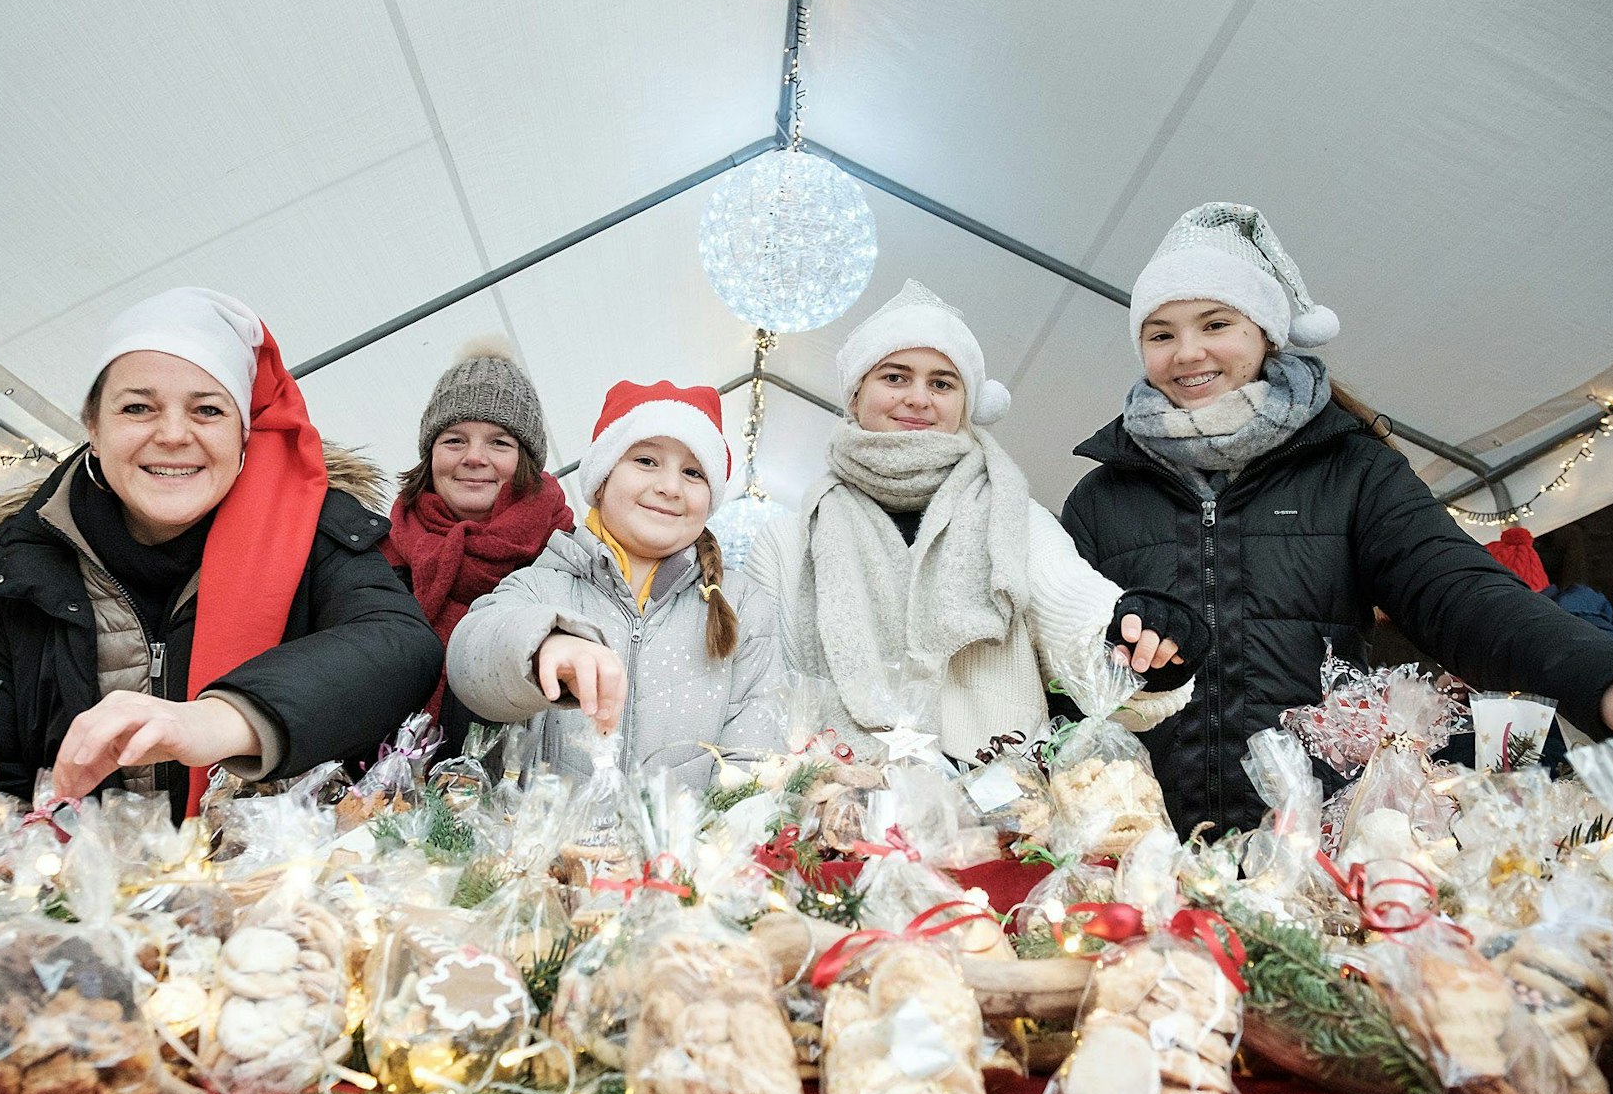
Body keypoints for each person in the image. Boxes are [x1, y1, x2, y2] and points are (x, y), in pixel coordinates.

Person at [1061, 203, 1613, 835]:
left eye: (1215, 324)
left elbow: (1458, 592)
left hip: (1323, 848)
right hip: (1137, 851)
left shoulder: (1351, 470)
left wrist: (1603, 673)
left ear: (1264, 333)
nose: (1186, 353)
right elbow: (1061, 669)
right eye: (1161, 334)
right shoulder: (1100, 498)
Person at [0, 287, 442, 814]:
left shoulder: (313, 532)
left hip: (272, 866)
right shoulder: (14, 566)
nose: (172, 434)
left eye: (207, 410)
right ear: (94, 429)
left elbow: (400, 646)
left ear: (243, 435)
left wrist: (221, 719)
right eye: (138, 407)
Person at [745, 280, 1202, 767]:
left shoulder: (1015, 517)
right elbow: (758, 692)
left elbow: (1070, 601)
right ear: (855, 396)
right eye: (895, 377)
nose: (918, 398)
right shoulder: (786, 543)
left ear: (966, 404)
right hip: (833, 797)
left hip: (999, 797)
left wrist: (1132, 633)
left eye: (942, 383)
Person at [446, 381, 782, 789]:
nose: (670, 487)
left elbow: (755, 750)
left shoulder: (743, 604)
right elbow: (469, 663)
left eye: (693, 473)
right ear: (602, 480)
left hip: (690, 832)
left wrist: (711, 827)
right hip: (551, 831)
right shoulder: (542, 585)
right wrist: (543, 643)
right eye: (646, 461)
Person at [382, 339, 573, 757]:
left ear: (526, 460)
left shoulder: (565, 559)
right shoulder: (378, 557)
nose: (474, 457)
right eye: (454, 440)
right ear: (430, 454)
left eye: (499, 443)